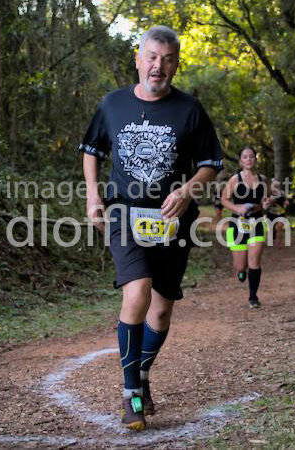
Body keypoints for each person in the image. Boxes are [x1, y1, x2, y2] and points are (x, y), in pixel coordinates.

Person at [79, 26, 222, 431]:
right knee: (137, 291)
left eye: (168, 59)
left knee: (161, 309)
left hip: (171, 218)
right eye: (152, 57)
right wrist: (93, 196)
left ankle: (142, 372)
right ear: (138, 59)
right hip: (124, 211)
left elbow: (211, 161)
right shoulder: (113, 105)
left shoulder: (190, 110)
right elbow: (91, 151)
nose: (158, 66)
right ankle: (131, 395)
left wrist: (189, 191)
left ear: (176, 64)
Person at [221, 147, 271, 308]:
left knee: (254, 261)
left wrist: (266, 204)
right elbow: (224, 199)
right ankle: (241, 272)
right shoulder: (235, 179)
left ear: (256, 159)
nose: (249, 159)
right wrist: (238, 209)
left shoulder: (263, 180)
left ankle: (253, 296)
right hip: (237, 225)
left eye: (252, 156)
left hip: (256, 222)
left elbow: (266, 200)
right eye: (245, 157)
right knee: (241, 266)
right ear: (241, 160)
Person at [266, 178, 289, 248]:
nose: (276, 186)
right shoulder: (269, 193)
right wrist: (270, 202)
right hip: (271, 213)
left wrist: (286, 202)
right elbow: (266, 204)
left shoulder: (282, 193)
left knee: (279, 227)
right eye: (274, 185)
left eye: (277, 185)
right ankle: (272, 239)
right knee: (271, 229)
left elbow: (286, 201)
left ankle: (279, 243)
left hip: (281, 213)